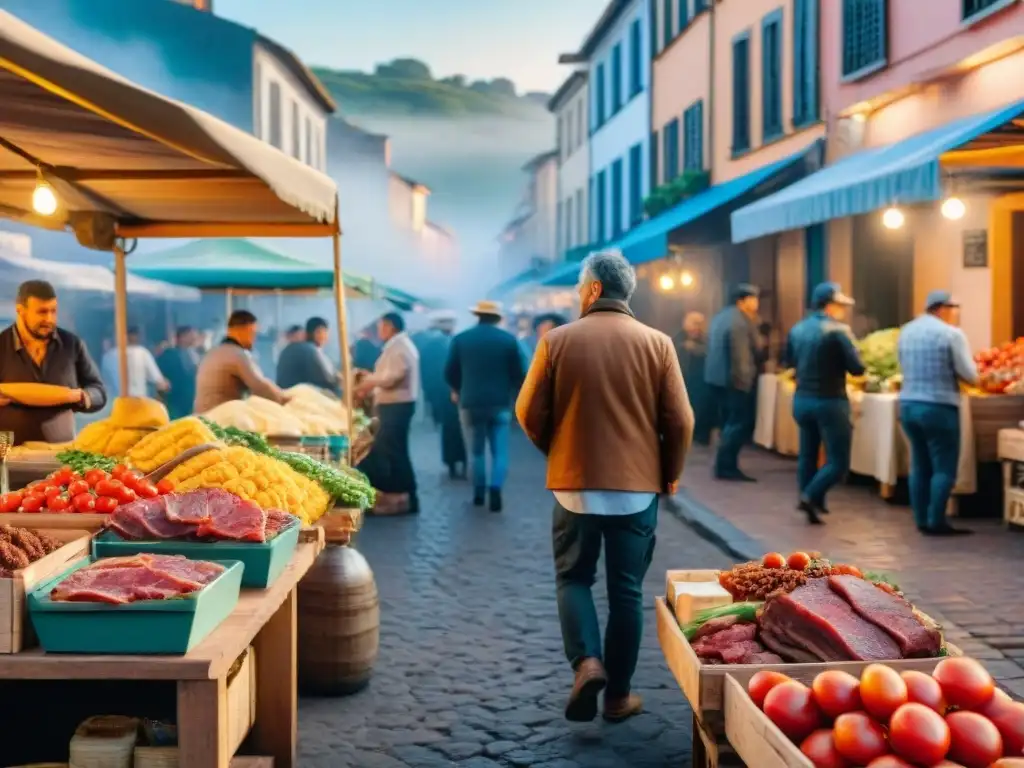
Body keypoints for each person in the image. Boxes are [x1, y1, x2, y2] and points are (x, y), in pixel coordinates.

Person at [516, 250, 693, 724]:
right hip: (637, 490)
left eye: (579, 288)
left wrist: (555, 449)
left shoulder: (557, 341)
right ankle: (618, 696)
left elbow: (527, 411)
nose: (577, 295)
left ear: (593, 290)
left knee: (573, 578)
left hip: (574, 486)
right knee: (627, 591)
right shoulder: (658, 343)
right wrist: (670, 473)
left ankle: (586, 662)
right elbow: (680, 420)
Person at [898, 291, 978, 536]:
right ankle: (936, 521)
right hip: (939, 406)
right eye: (954, 308)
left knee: (919, 464)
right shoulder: (951, 334)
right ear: (942, 308)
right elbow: (970, 375)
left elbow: (901, 364)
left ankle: (920, 519)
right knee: (943, 467)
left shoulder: (906, 331)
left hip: (909, 404)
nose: (956, 314)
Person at [786, 283, 865, 525]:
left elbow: (789, 362)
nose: (843, 310)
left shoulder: (797, 329)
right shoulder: (838, 330)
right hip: (830, 400)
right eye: (841, 305)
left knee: (808, 454)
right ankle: (811, 495)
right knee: (838, 461)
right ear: (830, 305)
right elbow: (857, 368)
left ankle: (812, 499)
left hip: (802, 399)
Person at [0, 280, 106, 445]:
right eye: (42, 312)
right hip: (8, 453)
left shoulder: (72, 345)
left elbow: (99, 392)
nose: (49, 319)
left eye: (53, 311)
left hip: (63, 453)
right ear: (20, 310)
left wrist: (81, 396)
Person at [445, 300, 526, 511]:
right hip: (500, 403)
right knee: (500, 451)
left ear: (477, 316)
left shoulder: (461, 339)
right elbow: (519, 375)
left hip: (470, 403)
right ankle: (496, 489)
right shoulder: (509, 341)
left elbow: (450, 372)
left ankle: (479, 493)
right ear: (497, 318)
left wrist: (458, 388)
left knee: (477, 452)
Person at [355, 312, 421, 514]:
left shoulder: (400, 347)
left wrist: (370, 382)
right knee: (393, 449)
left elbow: (393, 376)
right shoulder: (396, 346)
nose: (379, 331)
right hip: (393, 405)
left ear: (391, 327)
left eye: (382, 326)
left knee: (395, 450)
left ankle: (405, 495)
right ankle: (400, 495)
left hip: (397, 406)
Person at [705, 284, 761, 481]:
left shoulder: (721, 316)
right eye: (753, 299)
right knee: (738, 423)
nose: (757, 303)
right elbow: (740, 357)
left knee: (729, 423)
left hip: (716, 379)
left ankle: (725, 465)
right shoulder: (739, 322)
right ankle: (726, 466)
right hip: (733, 381)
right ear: (742, 301)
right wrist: (744, 384)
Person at [193, 310, 288, 413]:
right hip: (219, 421)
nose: (254, 339)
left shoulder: (213, 353)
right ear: (242, 331)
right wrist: (286, 402)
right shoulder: (237, 355)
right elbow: (261, 387)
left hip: (202, 418)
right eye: (252, 333)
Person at [421, 312, 467, 478]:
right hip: (459, 391)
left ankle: (451, 462)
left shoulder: (430, 345)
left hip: (441, 393)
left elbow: (426, 371)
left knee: (448, 429)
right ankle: (462, 460)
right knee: (461, 428)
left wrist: (430, 395)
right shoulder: (458, 342)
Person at [675, 311, 713, 446]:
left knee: (702, 407)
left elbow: (710, 352)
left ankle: (700, 435)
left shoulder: (705, 339)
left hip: (701, 379)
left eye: (700, 324)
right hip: (682, 378)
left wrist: (695, 349)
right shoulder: (678, 338)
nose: (697, 327)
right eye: (694, 324)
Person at [275, 317, 341, 394]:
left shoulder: (306, 349)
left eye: (325, 333)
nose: (323, 336)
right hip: (298, 397)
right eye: (319, 332)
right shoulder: (309, 350)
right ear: (309, 333)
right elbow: (328, 380)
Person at [101, 326, 169, 399]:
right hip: (138, 404)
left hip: (116, 406)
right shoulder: (142, 353)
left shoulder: (107, 357)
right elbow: (160, 383)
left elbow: (104, 383)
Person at [157, 326, 201, 420]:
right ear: (182, 337)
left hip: (192, 398)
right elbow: (160, 375)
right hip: (175, 398)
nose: (194, 337)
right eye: (191, 335)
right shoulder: (169, 354)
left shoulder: (195, 354)